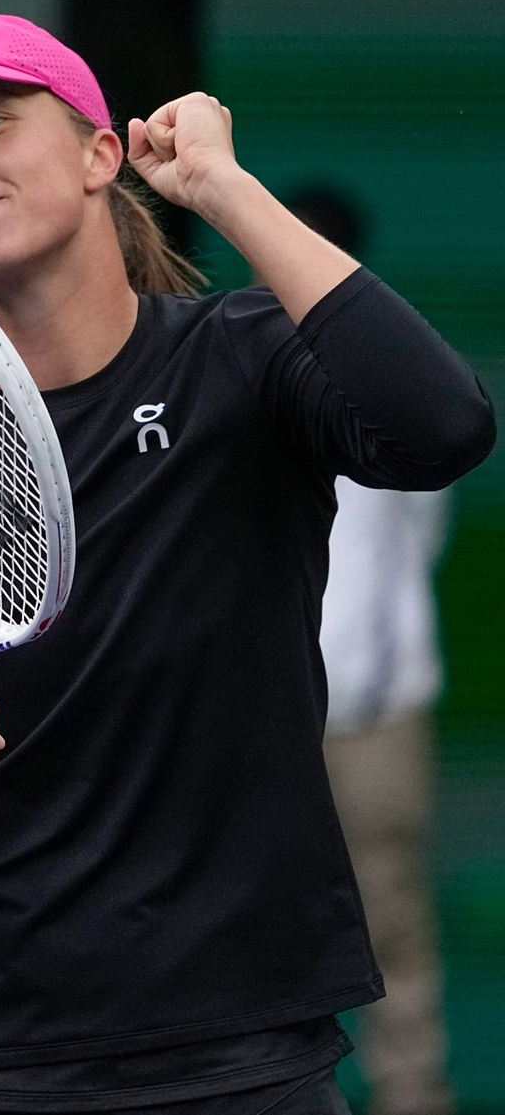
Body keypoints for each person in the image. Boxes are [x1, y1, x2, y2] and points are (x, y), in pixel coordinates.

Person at [0, 14, 495, 1115]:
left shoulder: (249, 360)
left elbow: (441, 428)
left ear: (102, 153)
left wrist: (223, 188)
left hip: (245, 1051)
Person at [275, 189, 457, 1115]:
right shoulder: (242, 359)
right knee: (251, 915)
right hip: (264, 717)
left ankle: (411, 1097)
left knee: (389, 912)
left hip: (372, 710)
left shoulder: (391, 369)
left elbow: (423, 518)